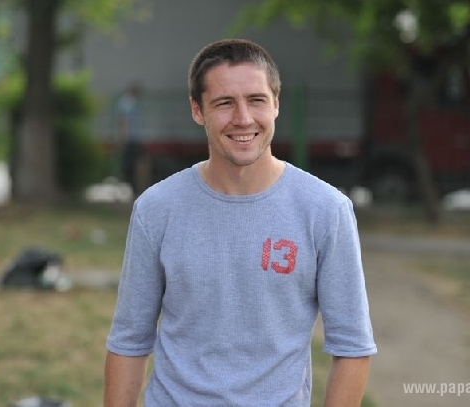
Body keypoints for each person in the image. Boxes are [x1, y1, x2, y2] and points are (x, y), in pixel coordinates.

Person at [104, 39, 377, 406]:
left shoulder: (326, 210)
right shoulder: (156, 209)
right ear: (197, 110)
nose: (243, 118)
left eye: (257, 100)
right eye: (224, 103)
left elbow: (353, 347)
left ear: (276, 104)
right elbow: (129, 341)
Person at [115, 82, 149, 195]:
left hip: (131, 139)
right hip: (130, 139)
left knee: (131, 164)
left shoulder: (127, 102)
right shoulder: (128, 103)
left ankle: (133, 189)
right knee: (133, 164)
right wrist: (122, 139)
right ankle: (136, 189)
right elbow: (123, 122)